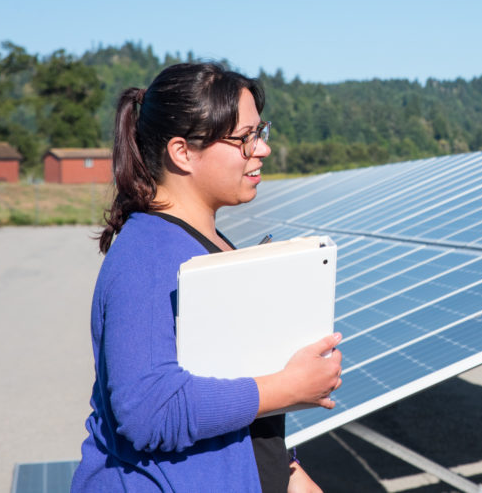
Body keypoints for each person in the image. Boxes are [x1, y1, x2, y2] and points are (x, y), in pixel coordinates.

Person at [72, 62, 342, 492]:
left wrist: (288, 472)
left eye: (260, 132)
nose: (262, 149)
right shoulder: (146, 256)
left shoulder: (206, 242)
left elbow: (228, 390)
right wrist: (287, 388)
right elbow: (148, 411)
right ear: (182, 153)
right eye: (243, 138)